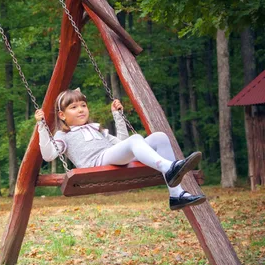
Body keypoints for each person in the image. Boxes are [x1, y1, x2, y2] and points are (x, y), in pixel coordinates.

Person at [35, 88, 205, 210]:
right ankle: (168, 167)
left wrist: (118, 117)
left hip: (111, 157)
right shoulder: (63, 135)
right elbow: (49, 155)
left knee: (159, 137)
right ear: (62, 115)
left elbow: (123, 144)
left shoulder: (97, 129)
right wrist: (42, 127)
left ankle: (176, 194)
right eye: (73, 107)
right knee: (136, 139)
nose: (80, 109)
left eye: (83, 105)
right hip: (96, 164)